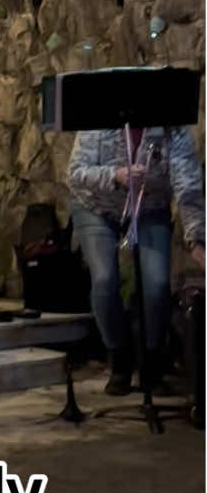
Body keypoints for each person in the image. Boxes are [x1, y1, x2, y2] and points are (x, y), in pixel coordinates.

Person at [68, 123, 205, 394]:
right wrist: (114, 175)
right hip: (96, 206)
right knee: (105, 280)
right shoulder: (98, 123)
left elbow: (187, 186)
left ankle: (152, 363)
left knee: (156, 286)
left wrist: (196, 238)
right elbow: (75, 173)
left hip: (150, 208)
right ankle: (119, 358)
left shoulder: (172, 129)